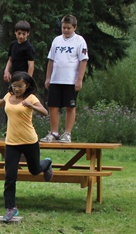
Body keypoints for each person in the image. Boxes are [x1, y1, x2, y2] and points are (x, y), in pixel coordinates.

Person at [0, 71, 53, 222]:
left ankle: (47, 163)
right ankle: (11, 208)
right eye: (14, 86)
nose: (16, 89)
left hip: (29, 141)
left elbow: (44, 112)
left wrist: (32, 106)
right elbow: (0, 102)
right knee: (10, 176)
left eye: (20, 86)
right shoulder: (9, 96)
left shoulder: (31, 98)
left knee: (34, 170)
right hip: (11, 143)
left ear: (27, 85)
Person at [41, 14, 88, 143]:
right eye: (64, 28)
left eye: (69, 28)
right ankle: (54, 132)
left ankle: (67, 133)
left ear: (75, 27)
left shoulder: (80, 41)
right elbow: (51, 60)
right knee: (53, 105)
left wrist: (79, 80)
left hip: (70, 80)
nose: (66, 30)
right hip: (56, 79)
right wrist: (48, 77)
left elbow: (83, 61)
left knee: (70, 107)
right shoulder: (56, 40)